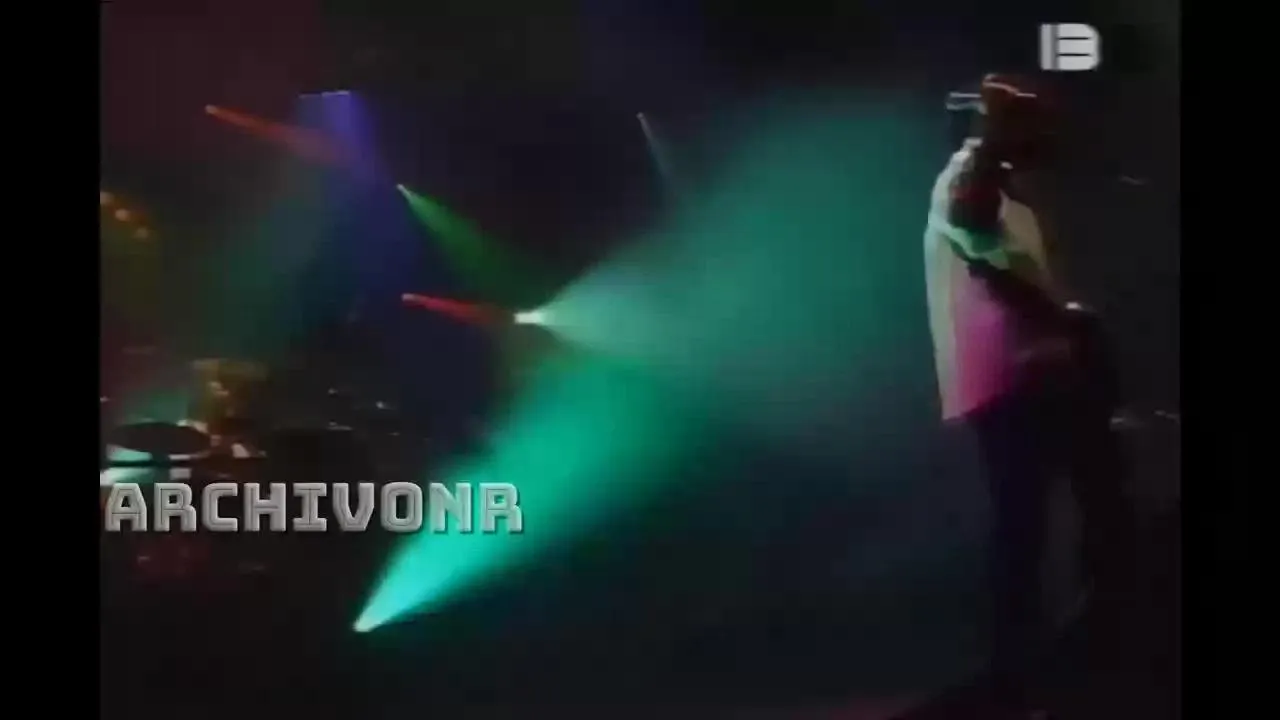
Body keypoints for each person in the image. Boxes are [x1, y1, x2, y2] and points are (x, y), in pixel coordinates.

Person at [924, 74, 1134, 716]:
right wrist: (1064, 324)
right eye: (1026, 124)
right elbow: (981, 240)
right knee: (1027, 531)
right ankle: (1020, 680)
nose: (1044, 135)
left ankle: (1079, 652)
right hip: (1016, 389)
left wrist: (1071, 326)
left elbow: (1011, 272)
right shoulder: (966, 179)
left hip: (1042, 381)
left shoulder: (1002, 190)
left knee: (1083, 511)